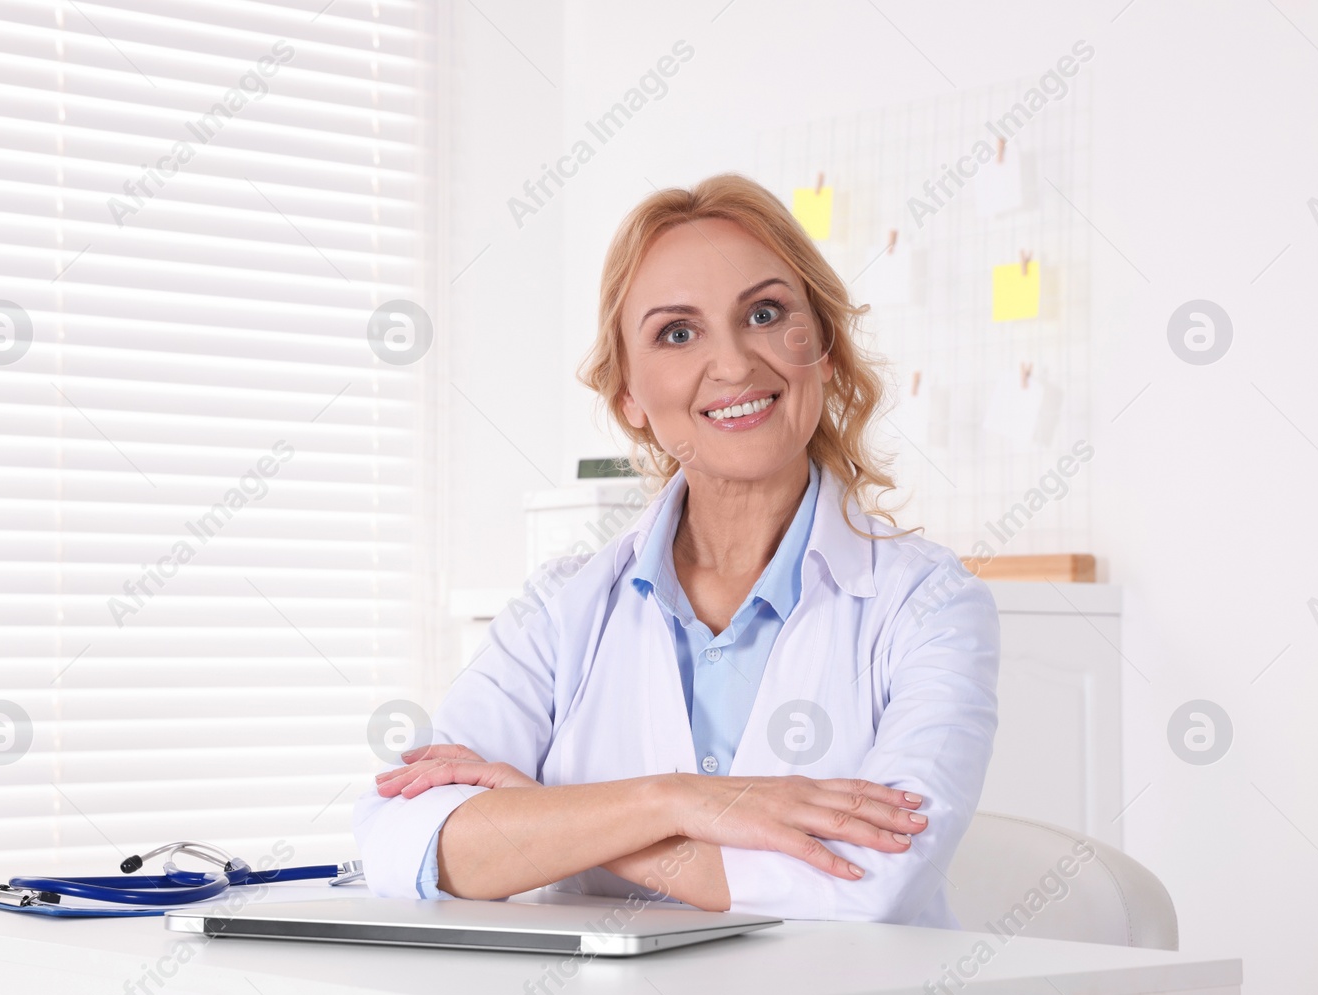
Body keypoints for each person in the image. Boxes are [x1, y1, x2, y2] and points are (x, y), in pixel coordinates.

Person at [354, 173, 998, 924]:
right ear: (627, 392)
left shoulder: (931, 607)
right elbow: (405, 840)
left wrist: (552, 819)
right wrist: (678, 799)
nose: (732, 365)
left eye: (764, 313)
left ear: (820, 346)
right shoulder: (558, 611)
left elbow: (863, 883)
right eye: (677, 332)